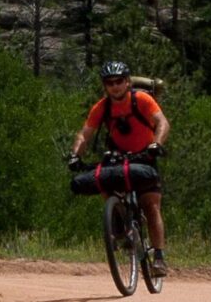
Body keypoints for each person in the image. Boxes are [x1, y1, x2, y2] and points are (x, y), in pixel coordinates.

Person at [68, 60, 168, 267]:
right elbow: (85, 134)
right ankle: (120, 226)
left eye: (119, 81)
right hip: (117, 156)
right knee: (105, 182)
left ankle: (159, 256)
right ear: (105, 86)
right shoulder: (102, 107)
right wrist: (75, 155)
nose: (115, 86)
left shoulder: (142, 99)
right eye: (110, 82)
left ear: (128, 82)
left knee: (151, 206)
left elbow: (162, 122)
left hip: (144, 157)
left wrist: (156, 144)